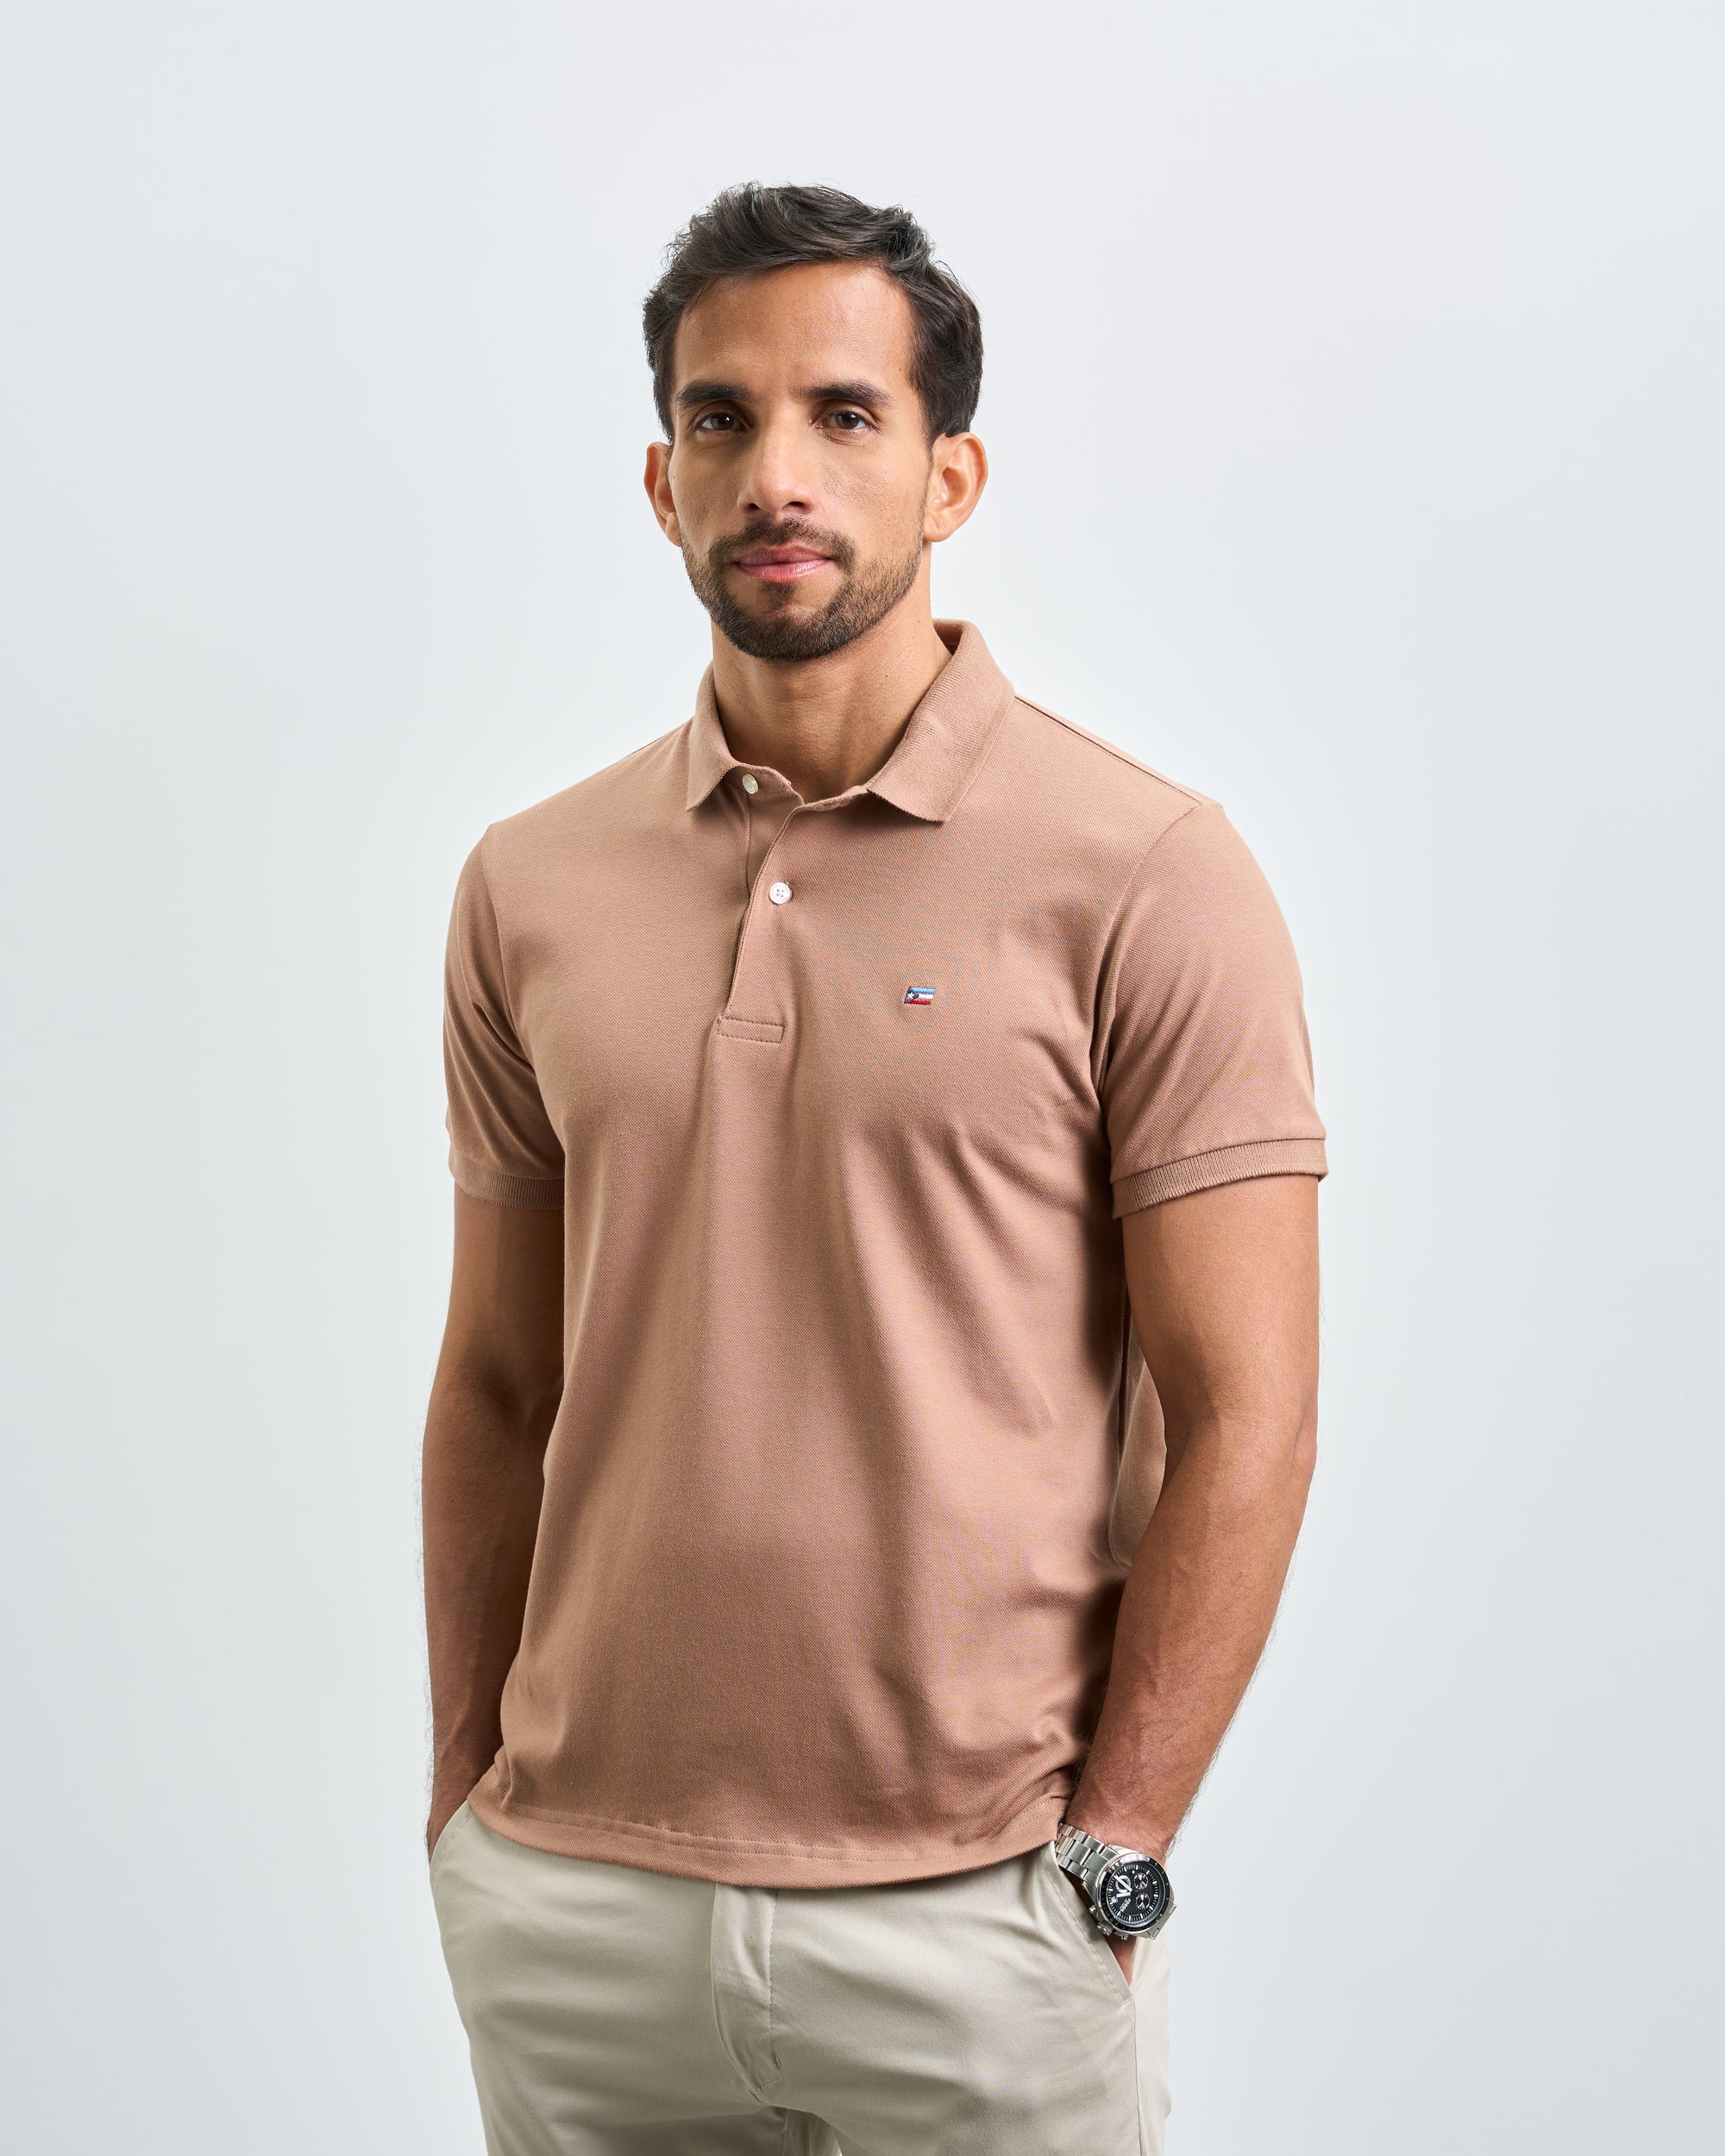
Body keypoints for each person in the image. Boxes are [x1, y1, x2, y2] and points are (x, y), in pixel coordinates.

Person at [422, 182, 1327, 2156]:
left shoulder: (1147, 872)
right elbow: (496, 1380)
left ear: (950, 473)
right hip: (579, 1905)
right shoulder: (528, 883)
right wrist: (463, 1808)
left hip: (980, 1911)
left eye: (844, 414)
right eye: (721, 416)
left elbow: (1243, 1411)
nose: (778, 473)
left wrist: (1117, 1849)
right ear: (660, 480)